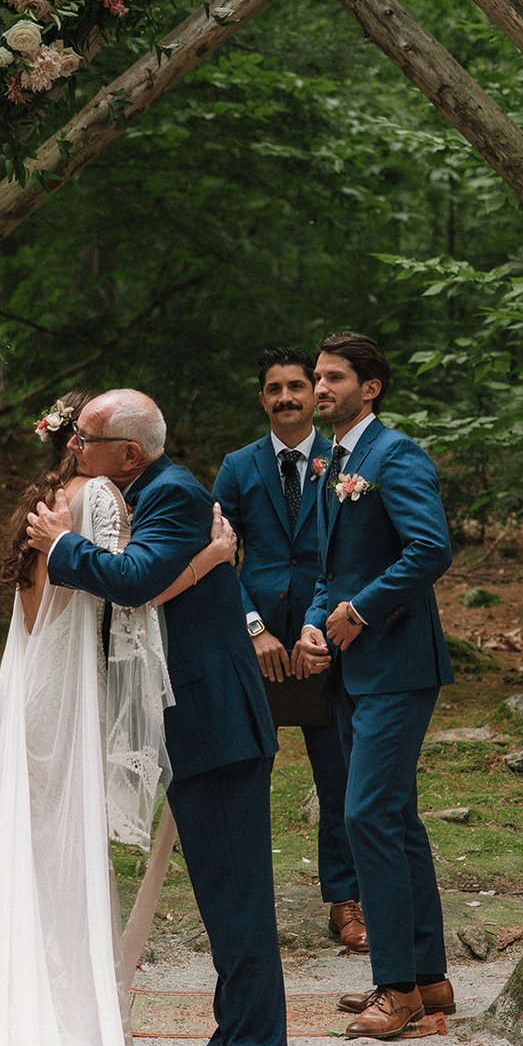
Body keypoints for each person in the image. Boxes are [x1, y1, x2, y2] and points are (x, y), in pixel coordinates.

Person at [0, 391, 237, 1046]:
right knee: (61, 871)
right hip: (62, 708)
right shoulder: (98, 501)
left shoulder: (47, 503)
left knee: (23, 864)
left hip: (21, 692)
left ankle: (21, 1043)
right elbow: (132, 598)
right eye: (80, 435)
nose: (79, 443)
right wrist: (211, 562)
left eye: (85, 434)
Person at [26, 388, 289, 1046]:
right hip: (196, 724)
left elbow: (136, 582)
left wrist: (61, 548)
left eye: (87, 438)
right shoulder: (147, 492)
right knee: (221, 897)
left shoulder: (171, 493)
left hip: (218, 726)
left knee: (238, 900)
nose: (74, 446)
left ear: (130, 453)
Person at [295, 332, 457, 1039]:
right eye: (316, 378)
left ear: (372, 387)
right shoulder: (337, 460)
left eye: (333, 378)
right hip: (354, 669)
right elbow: (331, 566)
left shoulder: (396, 455)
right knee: (394, 817)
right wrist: (311, 622)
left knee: (365, 815)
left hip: (397, 665)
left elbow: (430, 549)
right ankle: (428, 978)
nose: (318, 389)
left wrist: (361, 612)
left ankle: (393, 988)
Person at [212, 347, 365, 951]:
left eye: (297, 386)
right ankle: (248, 909)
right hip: (259, 650)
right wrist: (254, 629)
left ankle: (345, 900)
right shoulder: (238, 466)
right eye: (274, 389)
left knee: (340, 778)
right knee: (249, 778)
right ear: (262, 398)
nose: (287, 399)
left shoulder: (345, 461)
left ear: (316, 393)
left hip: (326, 645)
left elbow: (355, 553)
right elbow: (219, 557)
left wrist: (316, 632)